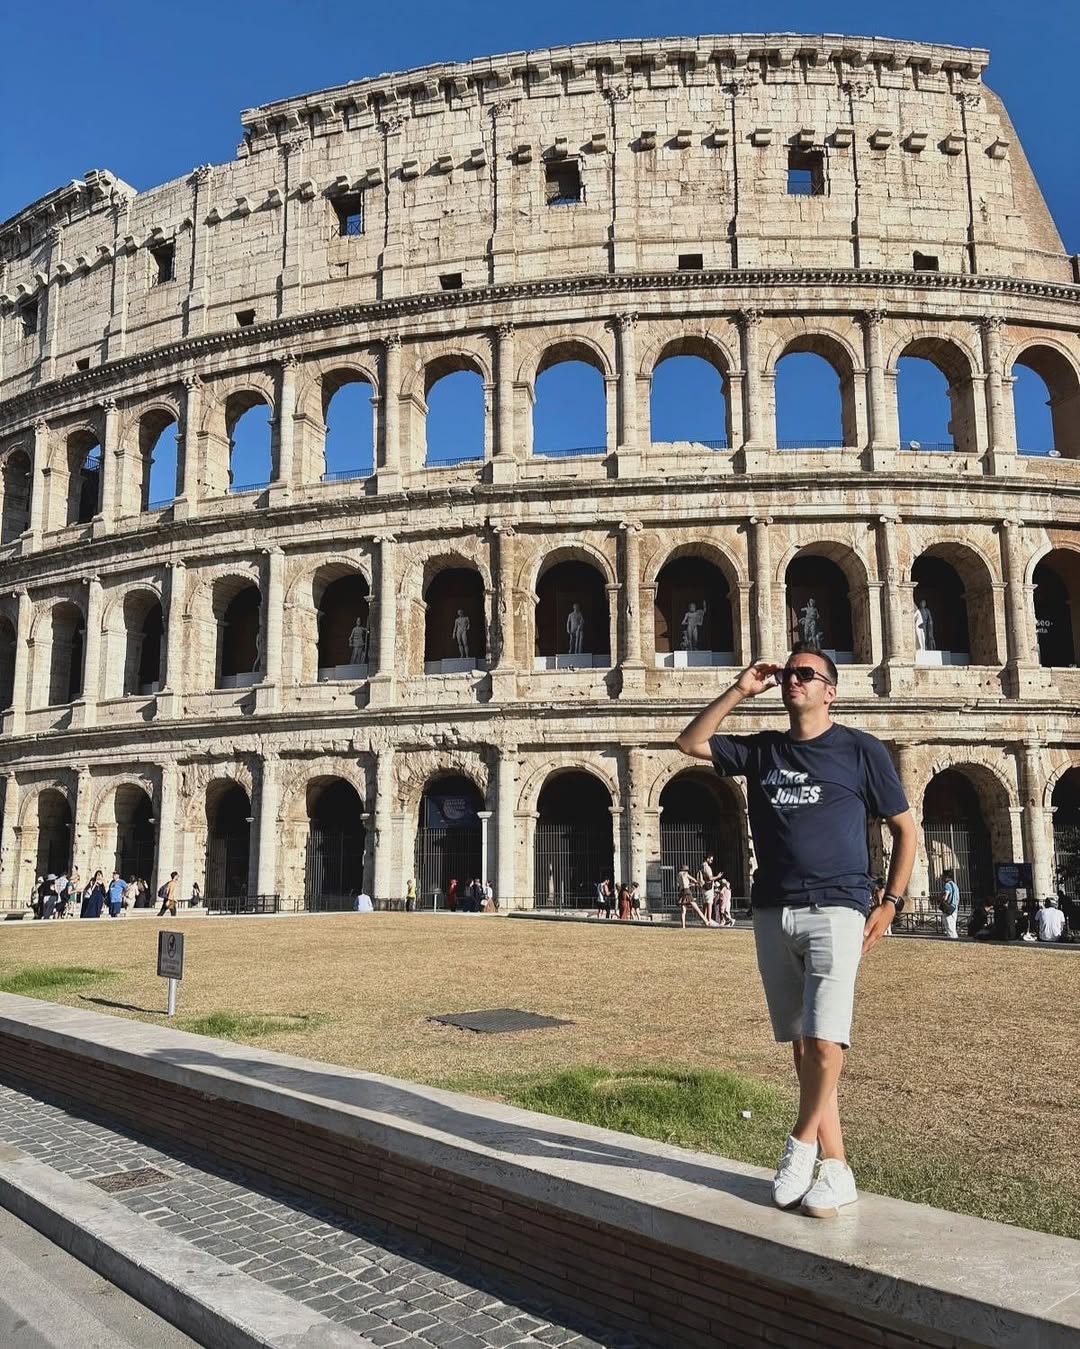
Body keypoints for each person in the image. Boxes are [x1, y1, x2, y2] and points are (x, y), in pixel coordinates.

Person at [676, 644, 916, 1219]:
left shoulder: (860, 750)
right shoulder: (763, 752)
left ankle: (800, 1144)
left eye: (805, 674)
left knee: (828, 1040)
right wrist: (739, 689)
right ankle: (836, 1168)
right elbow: (689, 742)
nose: (792, 680)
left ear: (831, 689)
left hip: (838, 905)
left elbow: (906, 828)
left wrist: (891, 902)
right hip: (772, 908)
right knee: (803, 1043)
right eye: (788, 673)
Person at [676, 864, 710, 929]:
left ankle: (683, 926)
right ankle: (706, 921)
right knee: (696, 908)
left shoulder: (678, 875)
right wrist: (697, 882)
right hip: (687, 892)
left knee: (683, 910)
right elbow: (694, 879)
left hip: (682, 892)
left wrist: (691, 885)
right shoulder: (685, 873)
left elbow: (681, 884)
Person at [939, 869, 960, 940]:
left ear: (946, 877)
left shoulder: (947, 885)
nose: (941, 877)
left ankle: (952, 940)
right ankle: (955, 939)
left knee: (949, 927)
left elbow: (945, 897)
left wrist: (939, 898)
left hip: (948, 908)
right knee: (953, 927)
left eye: (942, 876)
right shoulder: (955, 885)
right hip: (954, 908)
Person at [699, 853, 716, 924]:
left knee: (705, 903)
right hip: (708, 887)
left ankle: (705, 918)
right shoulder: (707, 867)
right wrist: (718, 876)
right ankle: (709, 919)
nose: (712, 861)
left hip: (704, 886)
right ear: (708, 858)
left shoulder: (701, 866)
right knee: (709, 903)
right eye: (711, 859)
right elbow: (710, 878)